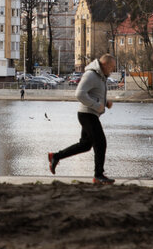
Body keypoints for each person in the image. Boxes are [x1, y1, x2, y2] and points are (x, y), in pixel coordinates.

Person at [47, 54, 116, 184]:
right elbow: (79, 93)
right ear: (105, 64)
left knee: (85, 145)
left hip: (90, 114)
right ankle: (98, 175)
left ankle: (55, 156)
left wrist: (105, 102)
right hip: (87, 114)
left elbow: (93, 94)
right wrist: (96, 105)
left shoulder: (100, 76)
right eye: (111, 68)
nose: (112, 71)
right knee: (100, 143)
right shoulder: (91, 75)